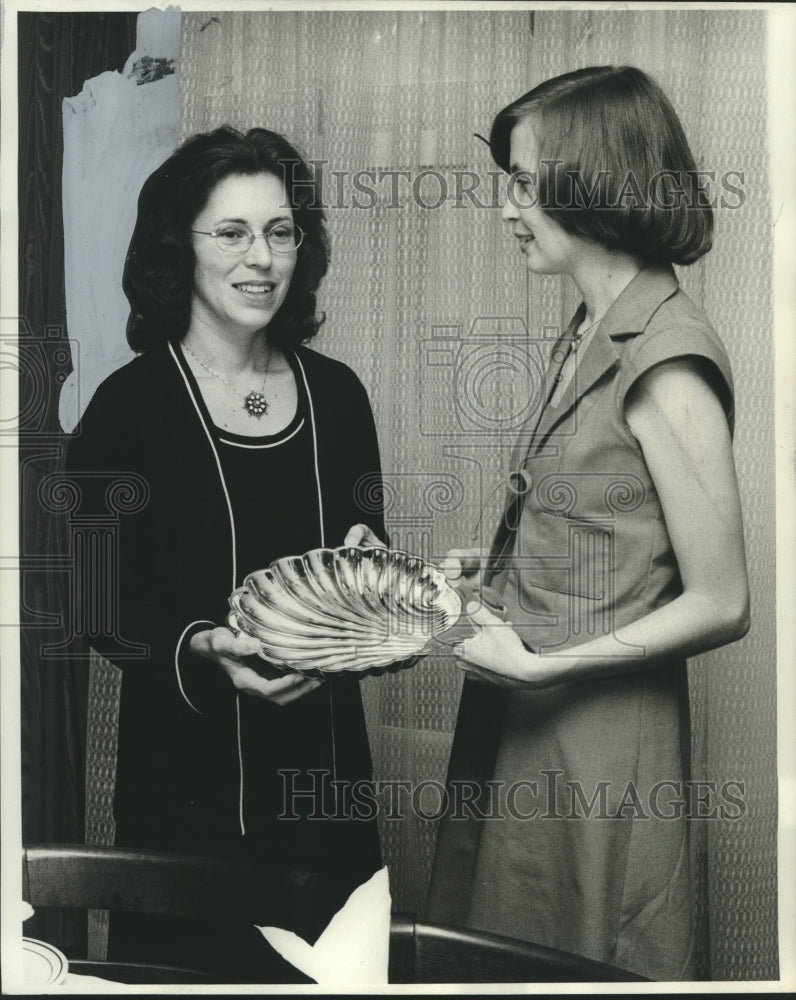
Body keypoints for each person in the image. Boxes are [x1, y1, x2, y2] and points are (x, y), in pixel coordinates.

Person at [419, 66, 750, 982]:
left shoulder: (667, 354)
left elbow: (723, 600)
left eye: (522, 184)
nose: (507, 210)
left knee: (582, 956)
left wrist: (543, 666)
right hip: (529, 723)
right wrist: (488, 577)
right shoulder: (590, 324)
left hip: (595, 745)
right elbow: (602, 542)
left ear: (590, 183)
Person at [64, 126, 386, 982]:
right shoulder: (124, 409)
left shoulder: (341, 398)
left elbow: (362, 560)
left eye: (281, 232)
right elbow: (93, 606)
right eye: (233, 233)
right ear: (180, 249)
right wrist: (203, 645)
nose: (263, 258)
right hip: (185, 807)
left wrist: (380, 579)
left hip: (329, 806)